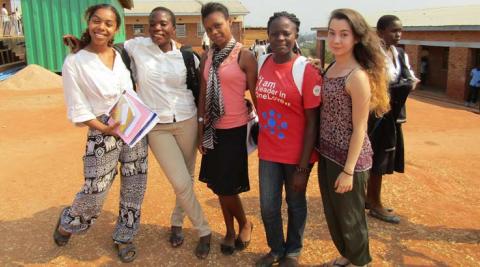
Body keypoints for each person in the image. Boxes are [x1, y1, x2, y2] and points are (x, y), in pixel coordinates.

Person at [63, 6, 213, 259]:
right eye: (152, 24)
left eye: (163, 24)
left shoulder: (187, 56)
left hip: (174, 122)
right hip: (151, 126)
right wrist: (82, 47)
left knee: (173, 179)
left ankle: (170, 224)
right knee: (177, 181)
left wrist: (201, 124)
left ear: (173, 28)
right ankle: (204, 229)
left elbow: (198, 90)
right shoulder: (135, 47)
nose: (157, 28)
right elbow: (103, 46)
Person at [53, 4, 148, 263]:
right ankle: (68, 222)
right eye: (97, 21)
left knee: (134, 187)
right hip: (101, 129)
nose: (102, 27)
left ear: (116, 29)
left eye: (108, 23)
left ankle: (124, 236)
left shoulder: (122, 54)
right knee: (95, 188)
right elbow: (77, 107)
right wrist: (104, 128)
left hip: (133, 125)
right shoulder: (75, 61)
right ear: (88, 22)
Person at [318, 9, 390, 267]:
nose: (336, 40)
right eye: (332, 33)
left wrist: (348, 171)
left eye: (344, 35)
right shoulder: (332, 66)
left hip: (349, 160)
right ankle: (348, 256)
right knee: (335, 214)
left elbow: (360, 128)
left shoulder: (356, 76)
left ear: (356, 38)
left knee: (351, 218)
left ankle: (360, 262)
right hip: (327, 153)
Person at [254, 12, 322, 267]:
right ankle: (275, 249)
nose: (280, 38)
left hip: (297, 155)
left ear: (295, 36)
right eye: (275, 33)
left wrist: (303, 167)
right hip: (268, 152)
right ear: (268, 35)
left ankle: (292, 251)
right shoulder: (262, 61)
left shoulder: (306, 70)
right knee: (268, 207)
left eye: (286, 33)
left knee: (295, 204)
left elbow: (312, 122)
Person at [197, 1, 257, 256]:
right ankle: (230, 230)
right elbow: (202, 93)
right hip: (212, 129)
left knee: (227, 185)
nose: (214, 32)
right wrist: (201, 127)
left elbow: (256, 93)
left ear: (230, 22)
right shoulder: (208, 55)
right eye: (209, 28)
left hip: (234, 129)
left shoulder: (244, 55)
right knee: (218, 184)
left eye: (218, 25)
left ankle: (244, 224)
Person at [366, 15, 418, 224]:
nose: (398, 35)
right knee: (376, 158)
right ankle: (374, 203)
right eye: (393, 31)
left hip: (392, 115)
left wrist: (405, 84)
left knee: (384, 156)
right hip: (375, 115)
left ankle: (371, 198)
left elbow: (412, 79)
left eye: (400, 31)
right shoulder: (371, 55)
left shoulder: (400, 54)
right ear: (380, 32)